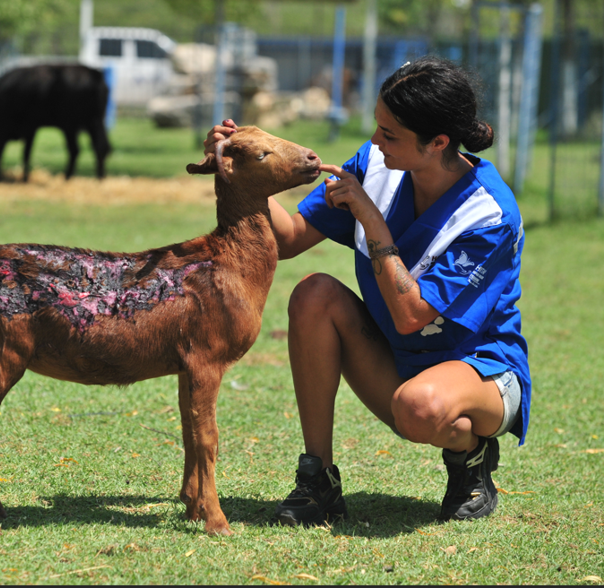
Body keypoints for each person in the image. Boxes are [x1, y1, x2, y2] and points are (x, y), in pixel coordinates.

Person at [204, 56, 530, 525]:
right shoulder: (376, 163)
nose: (376, 142)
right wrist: (239, 169)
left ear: (438, 142)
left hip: (481, 372)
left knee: (420, 407)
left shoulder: (489, 215)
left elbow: (411, 315)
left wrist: (371, 219)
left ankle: (472, 456)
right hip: (399, 362)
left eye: (390, 134)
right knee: (313, 293)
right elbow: (291, 239)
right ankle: (318, 478)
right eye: (377, 126)